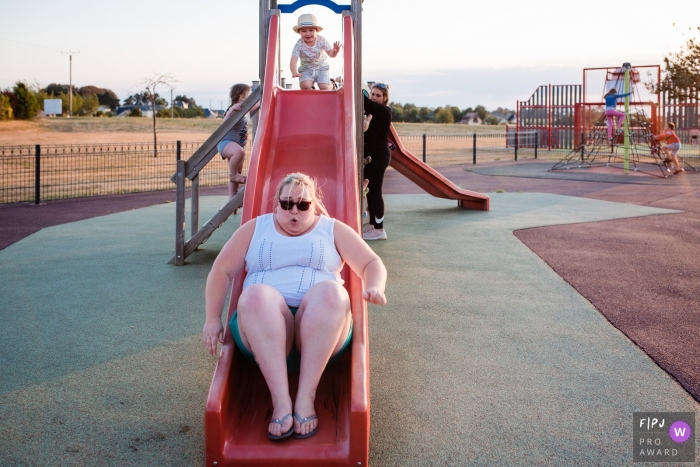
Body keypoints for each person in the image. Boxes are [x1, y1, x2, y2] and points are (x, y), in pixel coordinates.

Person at [202, 173, 387, 440]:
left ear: (315, 205)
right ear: (276, 204)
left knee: (333, 294)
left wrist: (375, 286)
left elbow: (371, 263)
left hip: (323, 334)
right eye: (287, 204)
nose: (294, 212)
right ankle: (281, 402)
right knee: (254, 297)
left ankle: (305, 398)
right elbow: (220, 270)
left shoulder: (332, 229)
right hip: (260, 333)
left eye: (302, 205)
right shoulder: (256, 228)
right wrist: (212, 318)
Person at [218, 84, 260, 201]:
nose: (250, 97)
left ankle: (232, 201)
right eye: (249, 94)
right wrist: (231, 110)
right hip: (226, 143)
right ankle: (233, 175)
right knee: (239, 154)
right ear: (242, 97)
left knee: (237, 174)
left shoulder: (245, 110)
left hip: (237, 145)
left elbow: (259, 104)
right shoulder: (233, 109)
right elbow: (224, 125)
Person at [362, 83, 392, 241]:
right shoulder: (371, 112)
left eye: (378, 95)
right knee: (370, 192)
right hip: (371, 155)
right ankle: (373, 225)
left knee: (375, 191)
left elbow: (364, 102)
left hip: (378, 155)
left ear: (385, 98)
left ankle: (380, 229)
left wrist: (350, 85)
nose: (373, 97)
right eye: (372, 94)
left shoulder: (384, 111)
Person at [290, 14, 341, 90]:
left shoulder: (321, 40)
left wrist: (335, 52)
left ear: (316, 31)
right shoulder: (299, 44)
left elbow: (330, 53)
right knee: (305, 86)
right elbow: (293, 60)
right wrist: (294, 72)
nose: (308, 33)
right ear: (299, 32)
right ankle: (311, 88)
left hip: (321, 67)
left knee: (324, 87)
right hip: (306, 69)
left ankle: (333, 84)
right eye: (304, 31)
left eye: (311, 30)